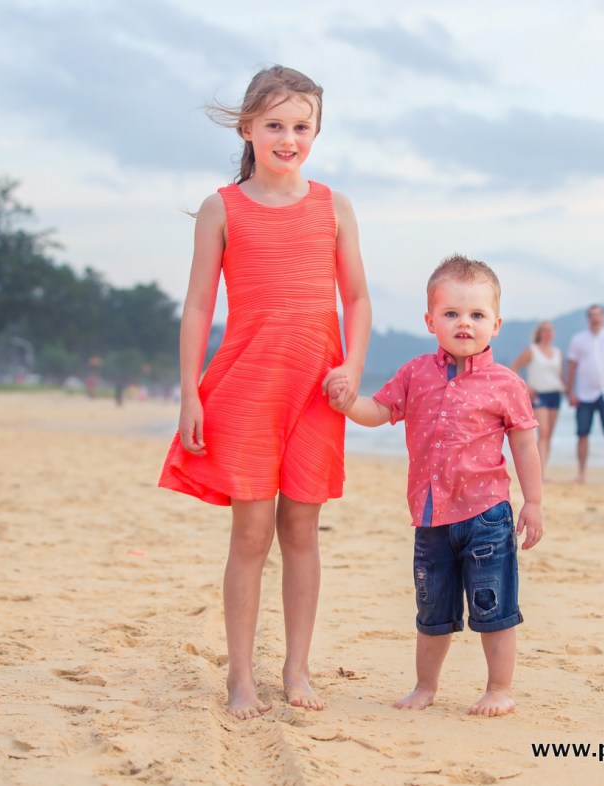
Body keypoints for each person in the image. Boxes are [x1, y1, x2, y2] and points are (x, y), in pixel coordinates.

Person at [158, 65, 371, 720]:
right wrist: (190, 392)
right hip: (247, 388)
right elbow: (197, 306)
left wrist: (353, 368)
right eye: (274, 124)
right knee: (251, 534)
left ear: (316, 132)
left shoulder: (333, 206)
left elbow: (358, 299)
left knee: (301, 528)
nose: (288, 137)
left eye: (301, 126)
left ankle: (297, 668)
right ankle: (241, 678)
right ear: (248, 128)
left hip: (315, 391)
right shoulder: (224, 207)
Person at [332, 255, 543, 716]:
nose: (464, 323)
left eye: (476, 315)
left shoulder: (506, 384)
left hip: (487, 515)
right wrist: (349, 403)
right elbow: (379, 412)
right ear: (430, 321)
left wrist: (534, 503)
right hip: (430, 518)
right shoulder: (414, 374)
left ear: (496, 324)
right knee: (431, 612)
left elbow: (524, 446)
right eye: (451, 313)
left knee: (494, 606)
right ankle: (425, 686)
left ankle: (498, 689)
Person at [565, 304, 604, 485]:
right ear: (588, 319)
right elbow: (571, 368)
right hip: (584, 394)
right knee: (582, 434)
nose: (596, 318)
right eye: (592, 315)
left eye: (599, 315)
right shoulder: (578, 340)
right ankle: (581, 474)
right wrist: (570, 392)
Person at [510, 320, 562, 479]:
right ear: (539, 333)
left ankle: (543, 469)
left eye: (550, 330)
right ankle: (539, 473)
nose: (548, 333)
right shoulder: (531, 350)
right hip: (539, 394)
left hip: (555, 393)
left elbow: (559, 375)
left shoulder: (558, 352)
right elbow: (514, 367)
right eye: (545, 330)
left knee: (549, 435)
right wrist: (525, 386)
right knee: (543, 432)